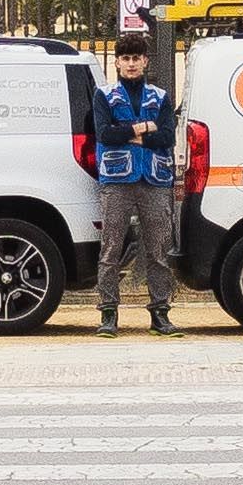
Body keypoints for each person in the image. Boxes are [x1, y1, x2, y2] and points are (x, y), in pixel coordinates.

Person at [89, 29, 180, 336]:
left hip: (154, 179)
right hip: (116, 180)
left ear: (145, 62)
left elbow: (168, 136)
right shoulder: (105, 95)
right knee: (111, 247)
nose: (130, 64)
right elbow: (104, 134)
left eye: (136, 58)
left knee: (157, 248)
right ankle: (108, 314)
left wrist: (127, 131)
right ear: (116, 63)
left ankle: (160, 313)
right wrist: (144, 128)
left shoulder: (161, 96)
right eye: (125, 58)